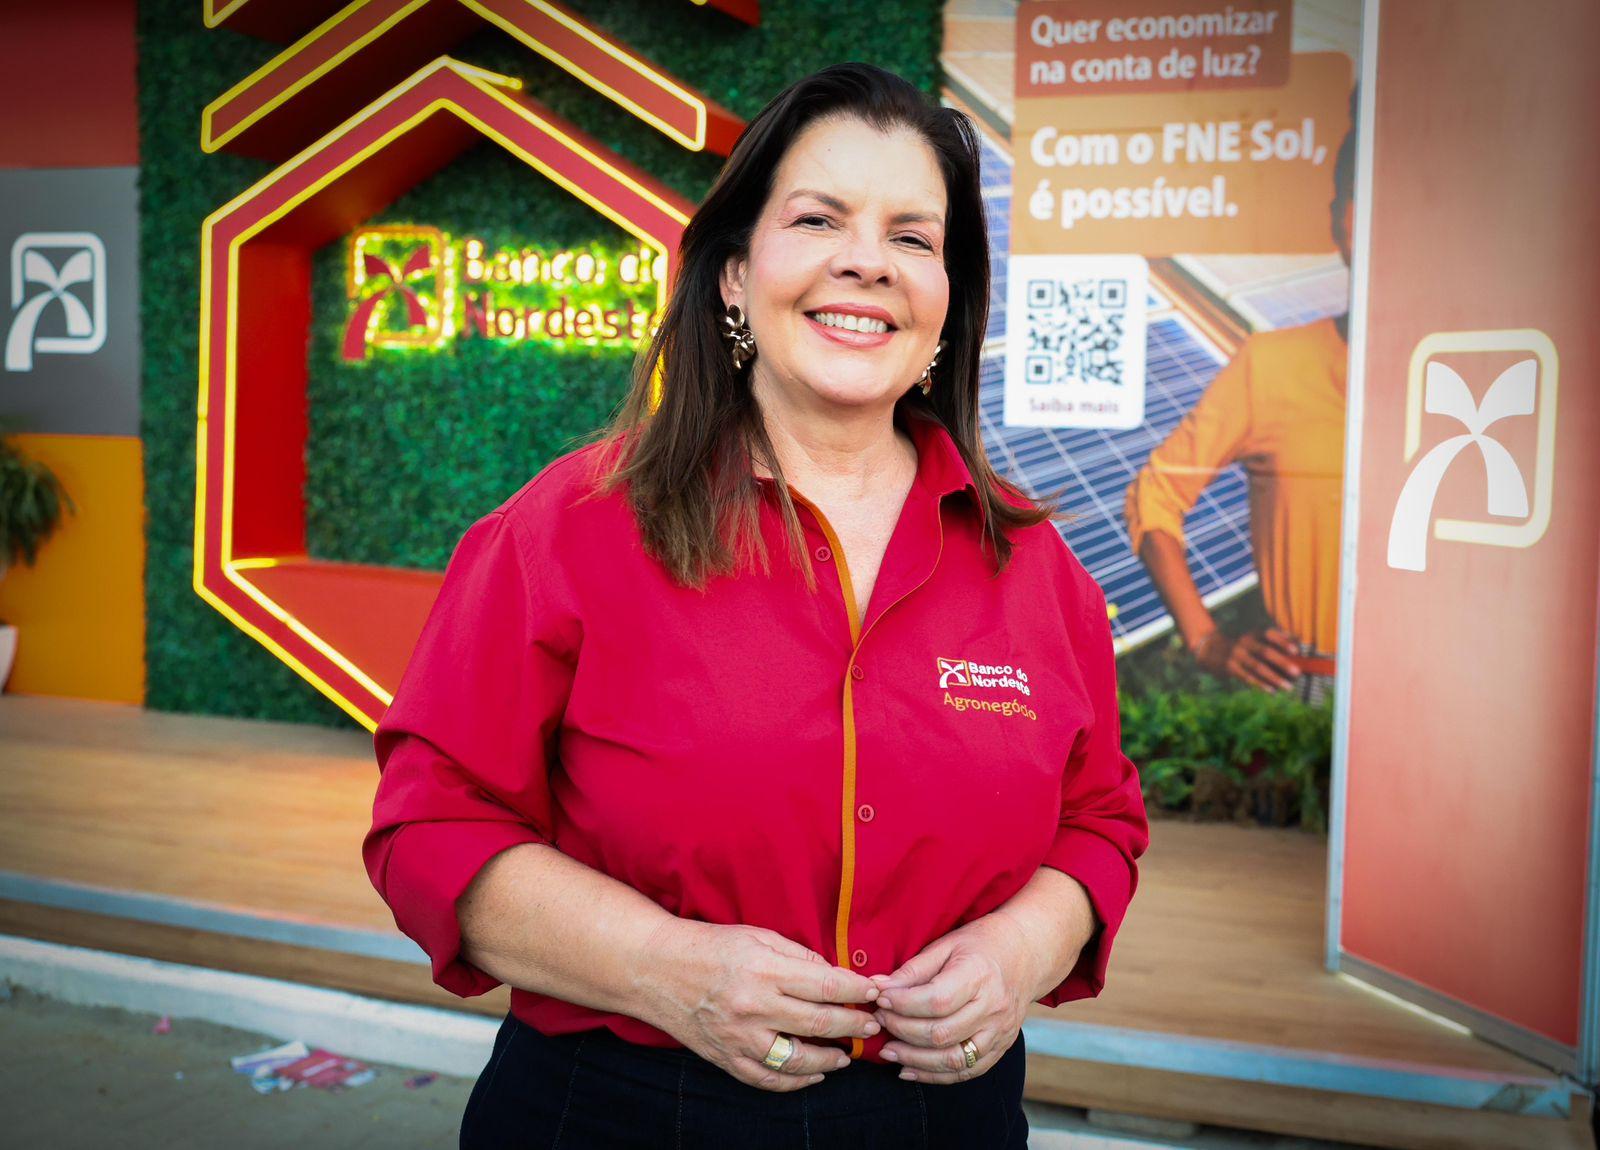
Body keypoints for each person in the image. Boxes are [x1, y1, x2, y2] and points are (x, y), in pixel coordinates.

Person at [365, 63, 1149, 1148]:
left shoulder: (1035, 565)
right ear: (734, 273)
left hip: (945, 1123)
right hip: (628, 1110)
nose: (866, 262)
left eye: (914, 239)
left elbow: (1099, 823)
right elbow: (430, 822)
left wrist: (1020, 950)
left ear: (949, 300)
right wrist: (661, 966)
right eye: (818, 218)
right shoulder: (572, 527)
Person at [1125, 116, 1358, 705]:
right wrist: (1206, 641)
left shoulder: (1478, 372)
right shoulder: (1273, 365)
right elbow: (1156, 493)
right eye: (1363, 201)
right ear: (1337, 217)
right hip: (1306, 689)